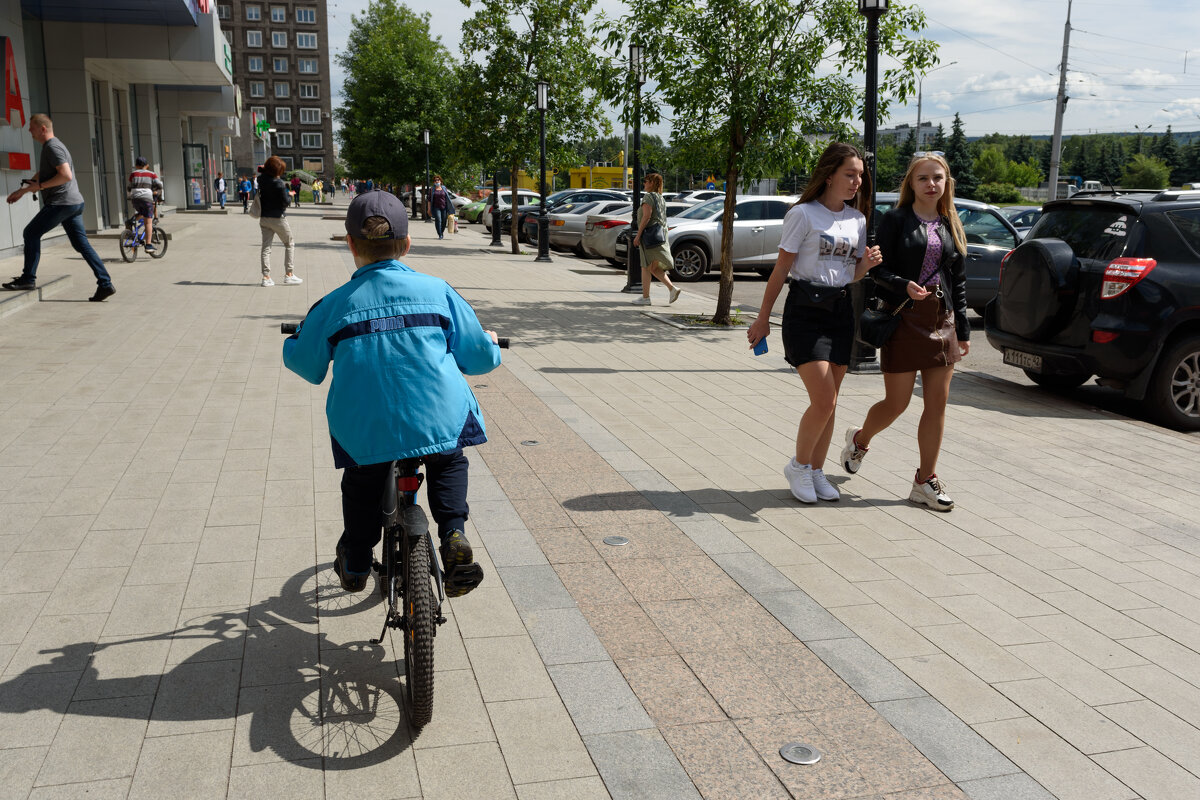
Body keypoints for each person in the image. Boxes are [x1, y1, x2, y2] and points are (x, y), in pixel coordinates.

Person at [282, 190, 501, 595]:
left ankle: (358, 558)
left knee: (362, 480)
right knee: (449, 460)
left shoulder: (333, 304)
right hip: (439, 416)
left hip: (366, 424)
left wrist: (296, 339)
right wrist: (489, 340)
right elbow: (479, 358)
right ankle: (453, 533)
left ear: (350, 244)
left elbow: (306, 366)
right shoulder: (439, 291)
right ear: (408, 243)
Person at [746, 142, 882, 504]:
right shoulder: (803, 214)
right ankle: (799, 465)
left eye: (859, 176)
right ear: (829, 175)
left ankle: (817, 471)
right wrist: (763, 319)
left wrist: (864, 266)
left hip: (840, 310)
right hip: (805, 311)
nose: (856, 182)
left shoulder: (858, 219)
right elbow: (781, 268)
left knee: (832, 401)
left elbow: (849, 274)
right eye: (849, 174)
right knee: (823, 399)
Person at [840, 153, 970, 512]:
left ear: (947, 183)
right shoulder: (895, 220)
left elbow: (958, 282)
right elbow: (877, 271)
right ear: (911, 184)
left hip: (941, 321)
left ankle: (924, 480)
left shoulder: (951, 223)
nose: (932, 184)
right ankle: (860, 440)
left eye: (938, 178)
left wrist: (963, 329)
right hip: (903, 319)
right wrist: (903, 285)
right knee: (896, 403)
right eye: (924, 178)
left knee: (937, 405)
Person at [3, 114, 116, 301]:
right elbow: (48, 172)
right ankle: (105, 284)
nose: (29, 130)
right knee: (82, 245)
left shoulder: (52, 147)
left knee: (31, 233)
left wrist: (36, 187)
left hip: (61, 203)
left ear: (42, 129)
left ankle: (27, 279)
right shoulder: (53, 146)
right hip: (73, 203)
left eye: (32, 127)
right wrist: (25, 188)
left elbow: (65, 175)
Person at [630, 172, 681, 306]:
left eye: (646, 181)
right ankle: (672, 289)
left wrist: (638, 235)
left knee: (645, 266)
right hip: (659, 236)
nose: (644, 183)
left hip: (649, 237)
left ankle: (646, 298)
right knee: (652, 268)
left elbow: (647, 217)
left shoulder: (648, 197)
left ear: (652, 183)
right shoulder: (660, 198)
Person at [257, 156, 303, 287]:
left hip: (264, 217)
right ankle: (289, 274)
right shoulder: (279, 184)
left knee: (266, 247)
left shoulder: (262, 180)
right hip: (277, 218)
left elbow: (262, 172)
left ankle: (266, 277)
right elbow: (286, 202)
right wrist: (290, 195)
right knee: (289, 243)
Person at [127, 156, 163, 253]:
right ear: (147, 166)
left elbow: (129, 187)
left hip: (135, 198)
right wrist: (157, 193)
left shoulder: (133, 174)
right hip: (147, 198)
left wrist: (131, 195)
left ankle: (131, 221)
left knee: (142, 212)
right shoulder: (152, 174)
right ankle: (148, 245)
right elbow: (159, 185)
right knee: (148, 221)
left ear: (136, 165)